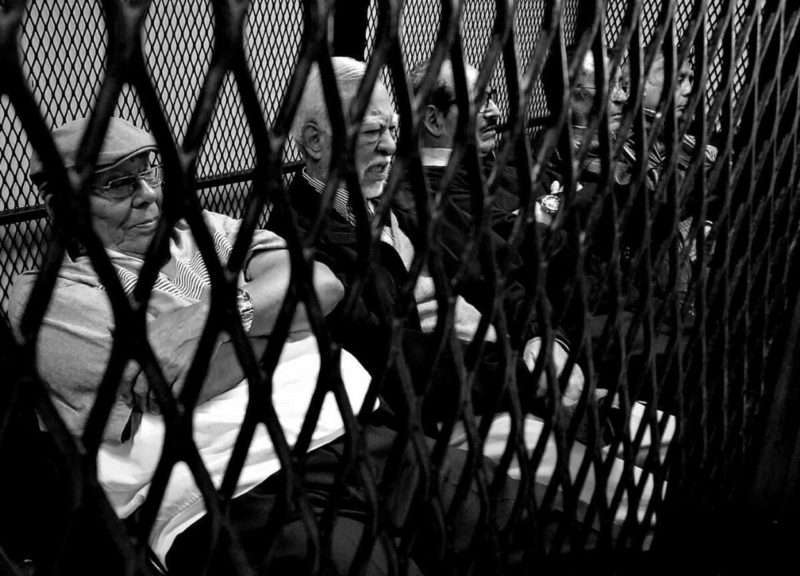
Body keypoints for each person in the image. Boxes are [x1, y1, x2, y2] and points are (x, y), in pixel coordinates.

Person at [8, 116, 522, 575]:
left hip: (356, 432)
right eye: (118, 184)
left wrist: (211, 317)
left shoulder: (202, 229)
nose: (148, 195)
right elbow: (173, 386)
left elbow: (322, 285)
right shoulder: (53, 293)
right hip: (236, 489)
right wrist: (283, 322)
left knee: (533, 517)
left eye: (149, 173)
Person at [267, 57, 588, 435]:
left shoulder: (401, 200)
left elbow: (496, 273)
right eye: (372, 132)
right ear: (315, 141)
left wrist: (543, 335)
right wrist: (521, 372)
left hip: (502, 376)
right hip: (447, 412)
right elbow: (388, 358)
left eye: (392, 128)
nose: (390, 145)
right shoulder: (296, 245)